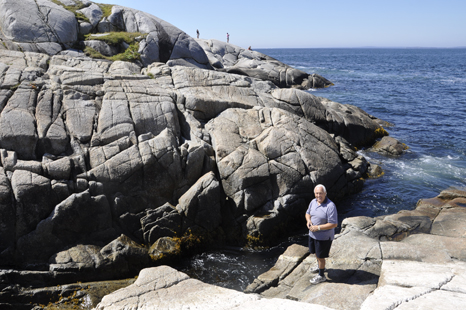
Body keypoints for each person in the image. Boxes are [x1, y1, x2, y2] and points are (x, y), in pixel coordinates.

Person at [305, 184, 338, 284]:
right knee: (316, 253)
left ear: (325, 193)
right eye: (317, 193)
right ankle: (320, 266)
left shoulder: (330, 206)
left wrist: (318, 227)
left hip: (323, 237)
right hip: (312, 234)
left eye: (320, 193)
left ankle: (321, 275)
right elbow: (307, 213)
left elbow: (334, 224)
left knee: (320, 256)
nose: (318, 195)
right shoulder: (313, 202)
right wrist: (308, 221)